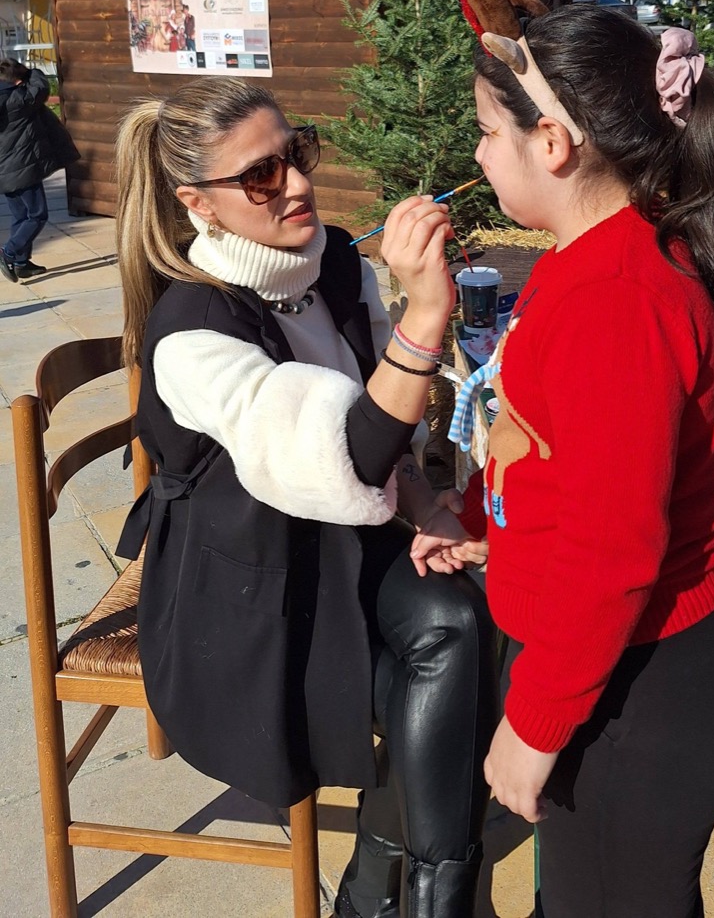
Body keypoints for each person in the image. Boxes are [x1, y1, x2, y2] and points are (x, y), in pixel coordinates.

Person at [412, 1, 714, 918]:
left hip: (656, 677)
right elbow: (557, 448)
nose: (476, 155)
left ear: (552, 144)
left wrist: (534, 726)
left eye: (487, 132)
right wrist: (479, 517)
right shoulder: (587, 258)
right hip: (616, 654)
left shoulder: (617, 300)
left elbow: (611, 549)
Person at [113, 77, 498, 918]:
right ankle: (413, 891)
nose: (295, 183)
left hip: (345, 539)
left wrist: (424, 501)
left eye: (298, 153)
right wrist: (426, 313)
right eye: (261, 175)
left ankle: (392, 889)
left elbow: (380, 437)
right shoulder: (191, 329)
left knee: (467, 620)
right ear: (197, 203)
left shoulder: (334, 262)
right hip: (248, 589)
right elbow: (344, 453)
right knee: (450, 665)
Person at [0, 58, 78, 282]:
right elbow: (41, 87)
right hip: (22, 169)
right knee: (37, 215)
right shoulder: (18, 99)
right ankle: (9, 252)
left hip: (6, 171)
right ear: (17, 81)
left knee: (20, 216)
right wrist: (32, 72)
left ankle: (21, 263)